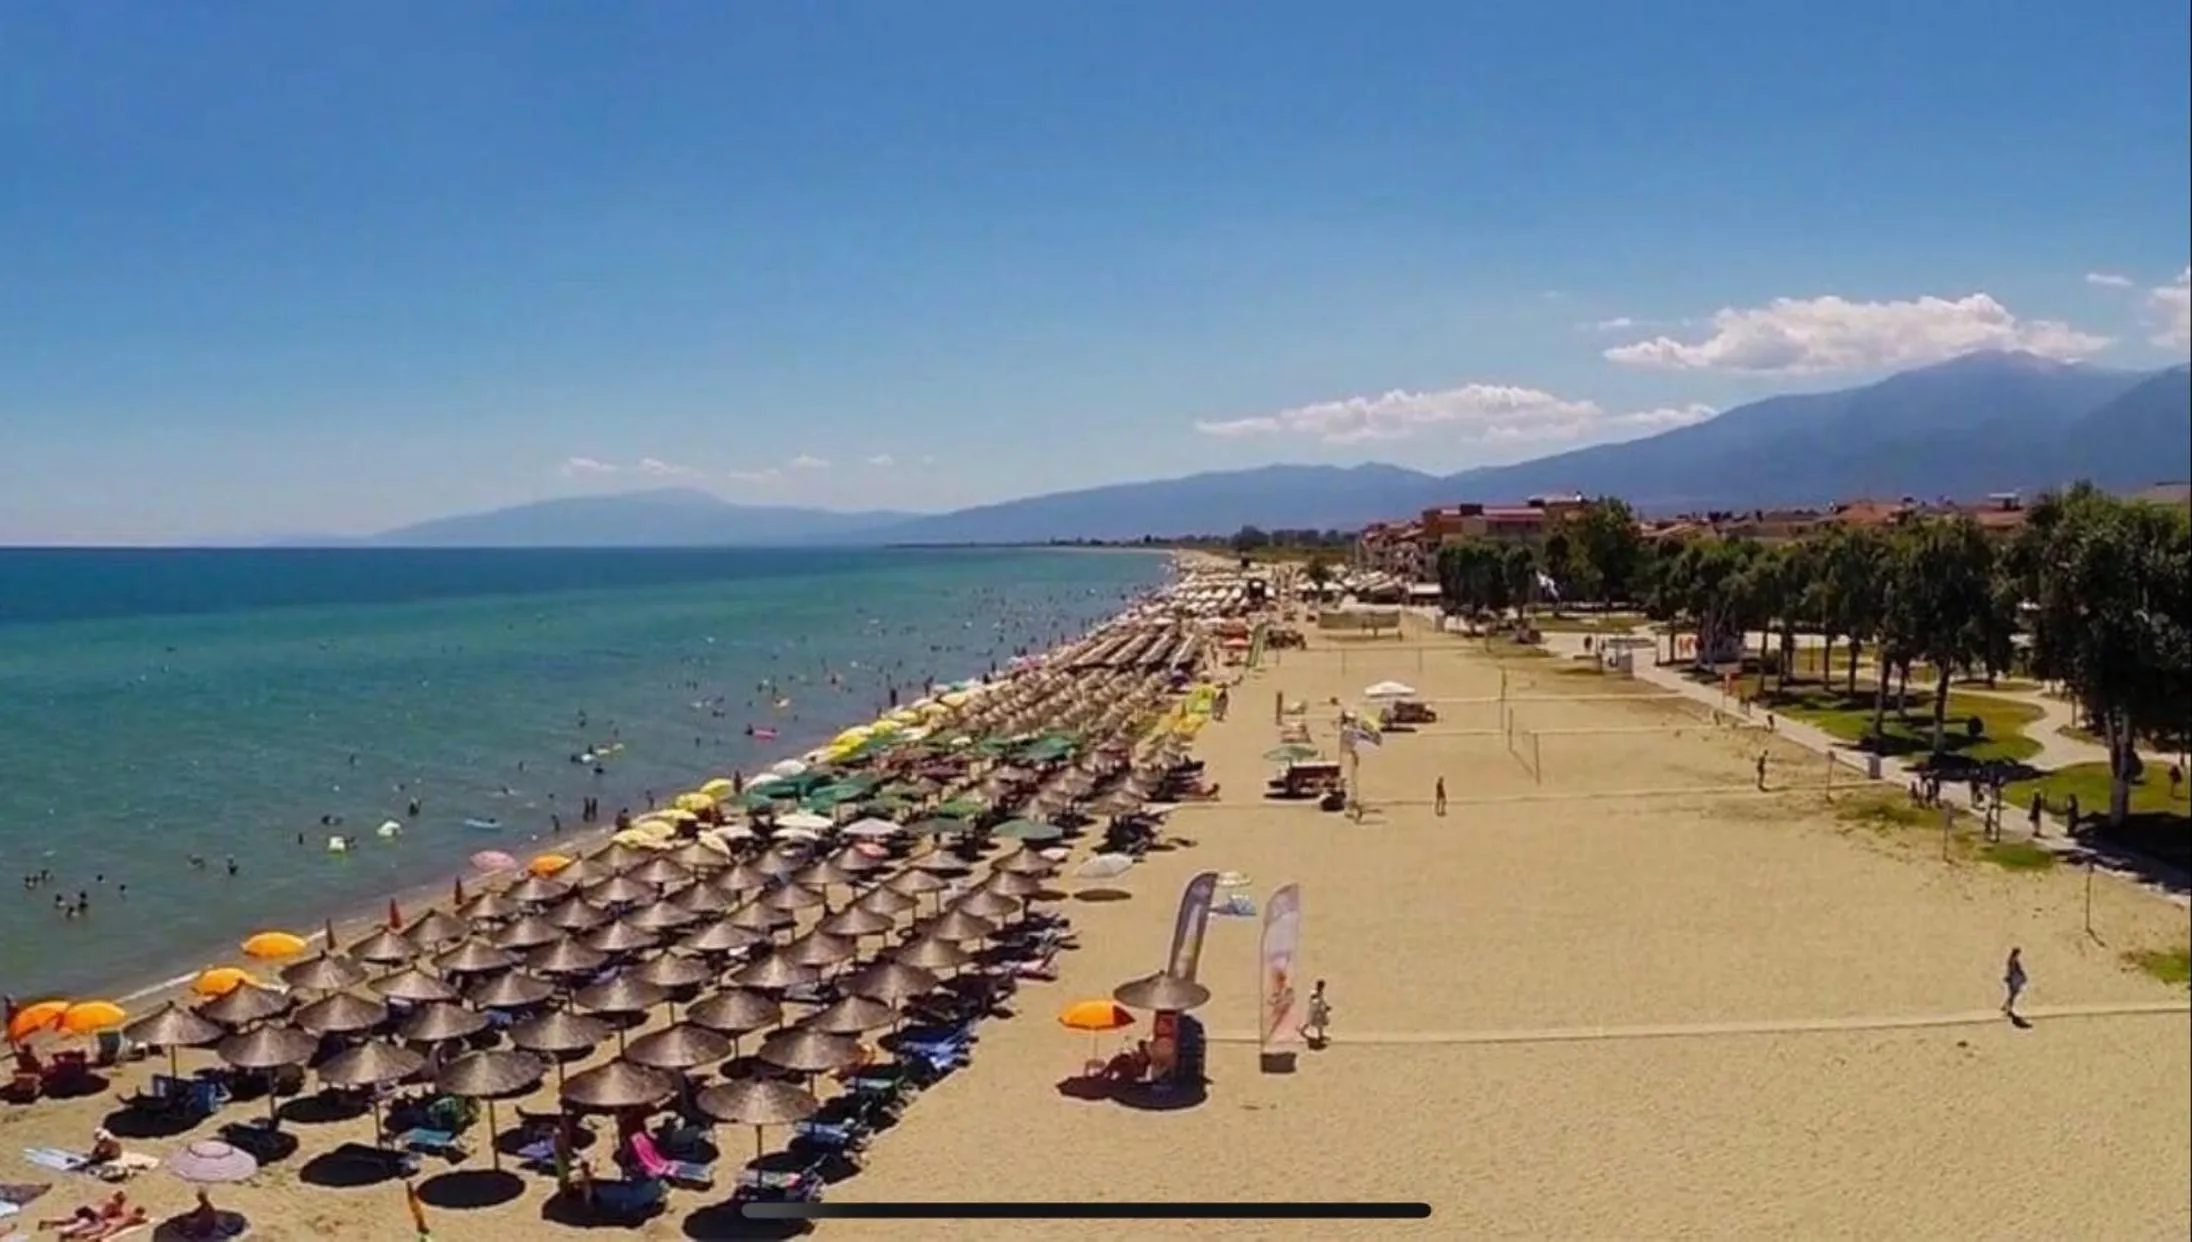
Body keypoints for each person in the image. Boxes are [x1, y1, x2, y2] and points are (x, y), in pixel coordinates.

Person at [1305, 979, 1333, 1045]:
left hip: (1319, 1011)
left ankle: (1320, 1035)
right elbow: (1315, 1001)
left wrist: (1325, 1007)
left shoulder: (1319, 992)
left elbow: (1321, 1001)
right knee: (1315, 1022)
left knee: (1319, 1024)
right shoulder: (1314, 992)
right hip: (1316, 1011)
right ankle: (1319, 1036)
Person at [2002, 947, 2028, 1020]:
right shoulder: (2013, 961)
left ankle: (2006, 1006)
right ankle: (2008, 1009)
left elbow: (2010, 970)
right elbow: (2014, 970)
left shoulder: (2011, 960)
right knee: (2013, 994)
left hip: (2013, 979)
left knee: (2012, 994)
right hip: (2014, 980)